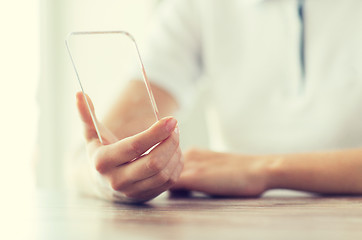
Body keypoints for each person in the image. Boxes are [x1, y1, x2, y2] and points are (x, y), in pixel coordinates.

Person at [75, 0, 362, 203]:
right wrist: (107, 177)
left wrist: (264, 169)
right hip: (238, 223)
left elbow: (257, 169)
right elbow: (88, 156)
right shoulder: (197, 6)